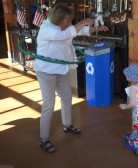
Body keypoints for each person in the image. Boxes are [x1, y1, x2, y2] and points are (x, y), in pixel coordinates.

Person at [35, 3, 109, 153]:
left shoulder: (63, 28)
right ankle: (44, 139)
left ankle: (67, 125)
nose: (69, 24)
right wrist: (81, 22)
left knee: (67, 97)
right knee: (49, 104)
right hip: (46, 71)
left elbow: (75, 32)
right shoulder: (46, 28)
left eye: (70, 21)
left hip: (61, 69)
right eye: (67, 21)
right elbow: (65, 34)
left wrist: (95, 28)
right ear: (58, 18)